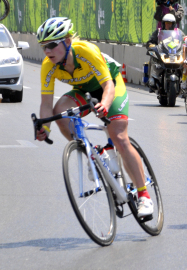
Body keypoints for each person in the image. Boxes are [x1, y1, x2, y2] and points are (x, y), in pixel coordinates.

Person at [35, 17, 153, 217]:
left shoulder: (85, 51)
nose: (47, 51)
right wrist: (44, 129)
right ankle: (92, 153)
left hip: (111, 84)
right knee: (60, 112)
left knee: (119, 137)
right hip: (84, 90)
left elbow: (108, 86)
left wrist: (105, 105)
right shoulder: (49, 65)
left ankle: (144, 196)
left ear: (67, 41)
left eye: (52, 45)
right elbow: (46, 105)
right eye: (43, 46)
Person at [145, 13, 178, 92]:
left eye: (170, 24)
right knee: (153, 57)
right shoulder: (158, 32)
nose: (168, 25)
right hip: (162, 54)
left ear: (173, 24)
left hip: (174, 55)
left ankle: (184, 82)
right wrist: (151, 45)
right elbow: (150, 42)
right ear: (163, 24)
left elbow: (184, 40)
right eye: (167, 23)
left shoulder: (177, 33)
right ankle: (152, 79)